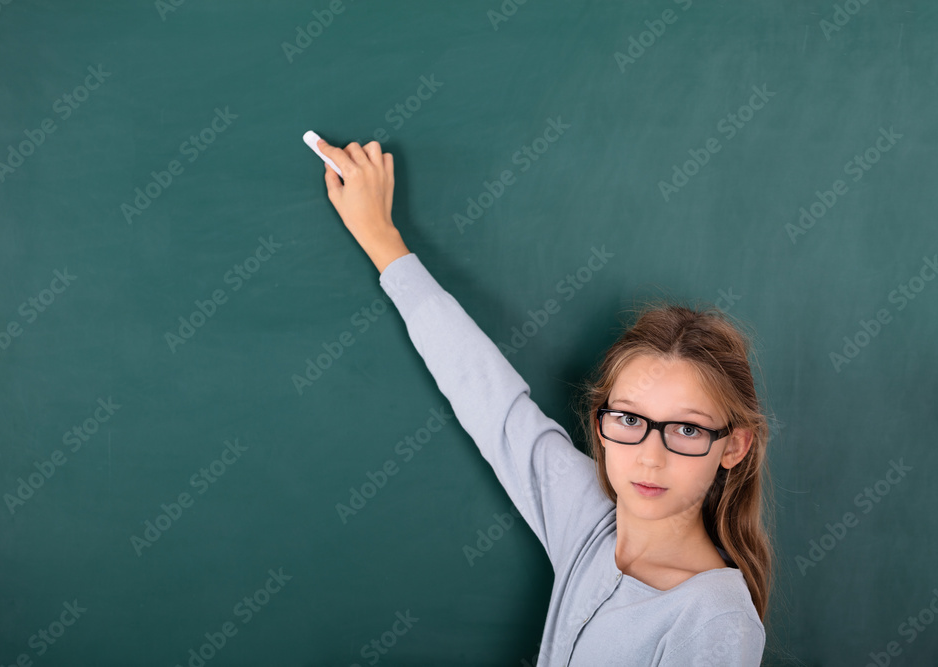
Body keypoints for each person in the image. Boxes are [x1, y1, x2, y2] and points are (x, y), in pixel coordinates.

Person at [317, 138, 772, 666]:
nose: (650, 456)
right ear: (601, 422)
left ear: (734, 445)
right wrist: (382, 239)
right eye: (628, 419)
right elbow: (489, 397)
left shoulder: (714, 619)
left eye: (687, 430)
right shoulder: (591, 519)